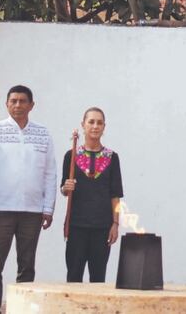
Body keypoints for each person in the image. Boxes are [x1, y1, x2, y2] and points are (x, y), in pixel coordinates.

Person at [0, 85, 57, 314]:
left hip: (32, 211)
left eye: (23, 101)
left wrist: (48, 207)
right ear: (6, 104)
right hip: (0, 209)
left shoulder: (43, 133)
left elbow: (50, 173)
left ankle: (23, 309)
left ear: (32, 105)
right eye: (13, 101)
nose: (18, 105)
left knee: (27, 266)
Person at [60, 107, 123, 283]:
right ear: (83, 125)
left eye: (99, 122)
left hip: (102, 227)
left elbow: (115, 194)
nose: (95, 126)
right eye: (91, 122)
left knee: (98, 277)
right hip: (76, 225)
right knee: (74, 275)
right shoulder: (71, 155)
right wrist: (66, 187)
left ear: (104, 127)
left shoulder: (112, 157)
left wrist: (115, 223)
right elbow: (64, 190)